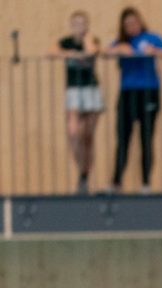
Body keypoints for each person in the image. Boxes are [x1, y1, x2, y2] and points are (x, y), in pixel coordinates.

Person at [105, 7, 162, 193]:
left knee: (146, 138)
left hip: (148, 91)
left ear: (140, 22)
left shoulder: (151, 38)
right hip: (127, 93)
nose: (132, 26)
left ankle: (146, 183)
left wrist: (155, 51)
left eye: (134, 22)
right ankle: (116, 182)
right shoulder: (121, 42)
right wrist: (119, 49)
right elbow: (104, 52)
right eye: (127, 24)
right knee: (123, 139)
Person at [52, 10, 104, 194]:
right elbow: (51, 52)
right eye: (76, 24)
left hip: (91, 90)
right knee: (74, 133)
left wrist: (86, 38)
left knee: (87, 137)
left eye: (83, 24)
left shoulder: (92, 39)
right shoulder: (66, 42)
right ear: (71, 25)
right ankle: (82, 171)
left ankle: (84, 177)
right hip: (74, 91)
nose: (79, 27)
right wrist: (73, 53)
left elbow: (91, 52)